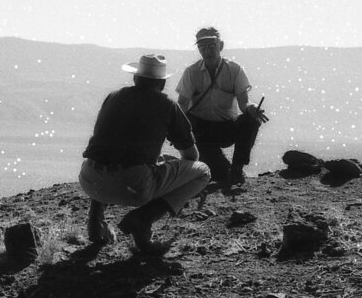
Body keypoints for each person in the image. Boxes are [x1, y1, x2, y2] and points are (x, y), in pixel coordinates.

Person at [79, 54, 211, 253]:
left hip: (90, 180)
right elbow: (191, 157)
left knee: (109, 152)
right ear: (162, 83)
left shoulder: (113, 96)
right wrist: (177, 186)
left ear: (135, 78)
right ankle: (143, 219)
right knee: (202, 172)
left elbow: (105, 144)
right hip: (132, 185)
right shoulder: (167, 105)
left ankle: (95, 222)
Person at [175, 26, 269, 187]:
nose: (207, 51)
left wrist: (252, 108)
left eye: (211, 46)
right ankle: (224, 170)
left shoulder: (235, 69)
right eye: (202, 47)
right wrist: (175, 126)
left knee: (251, 120)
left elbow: (244, 103)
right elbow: (182, 104)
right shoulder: (191, 72)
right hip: (201, 133)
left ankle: (238, 167)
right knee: (221, 175)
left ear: (221, 45)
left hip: (226, 127)